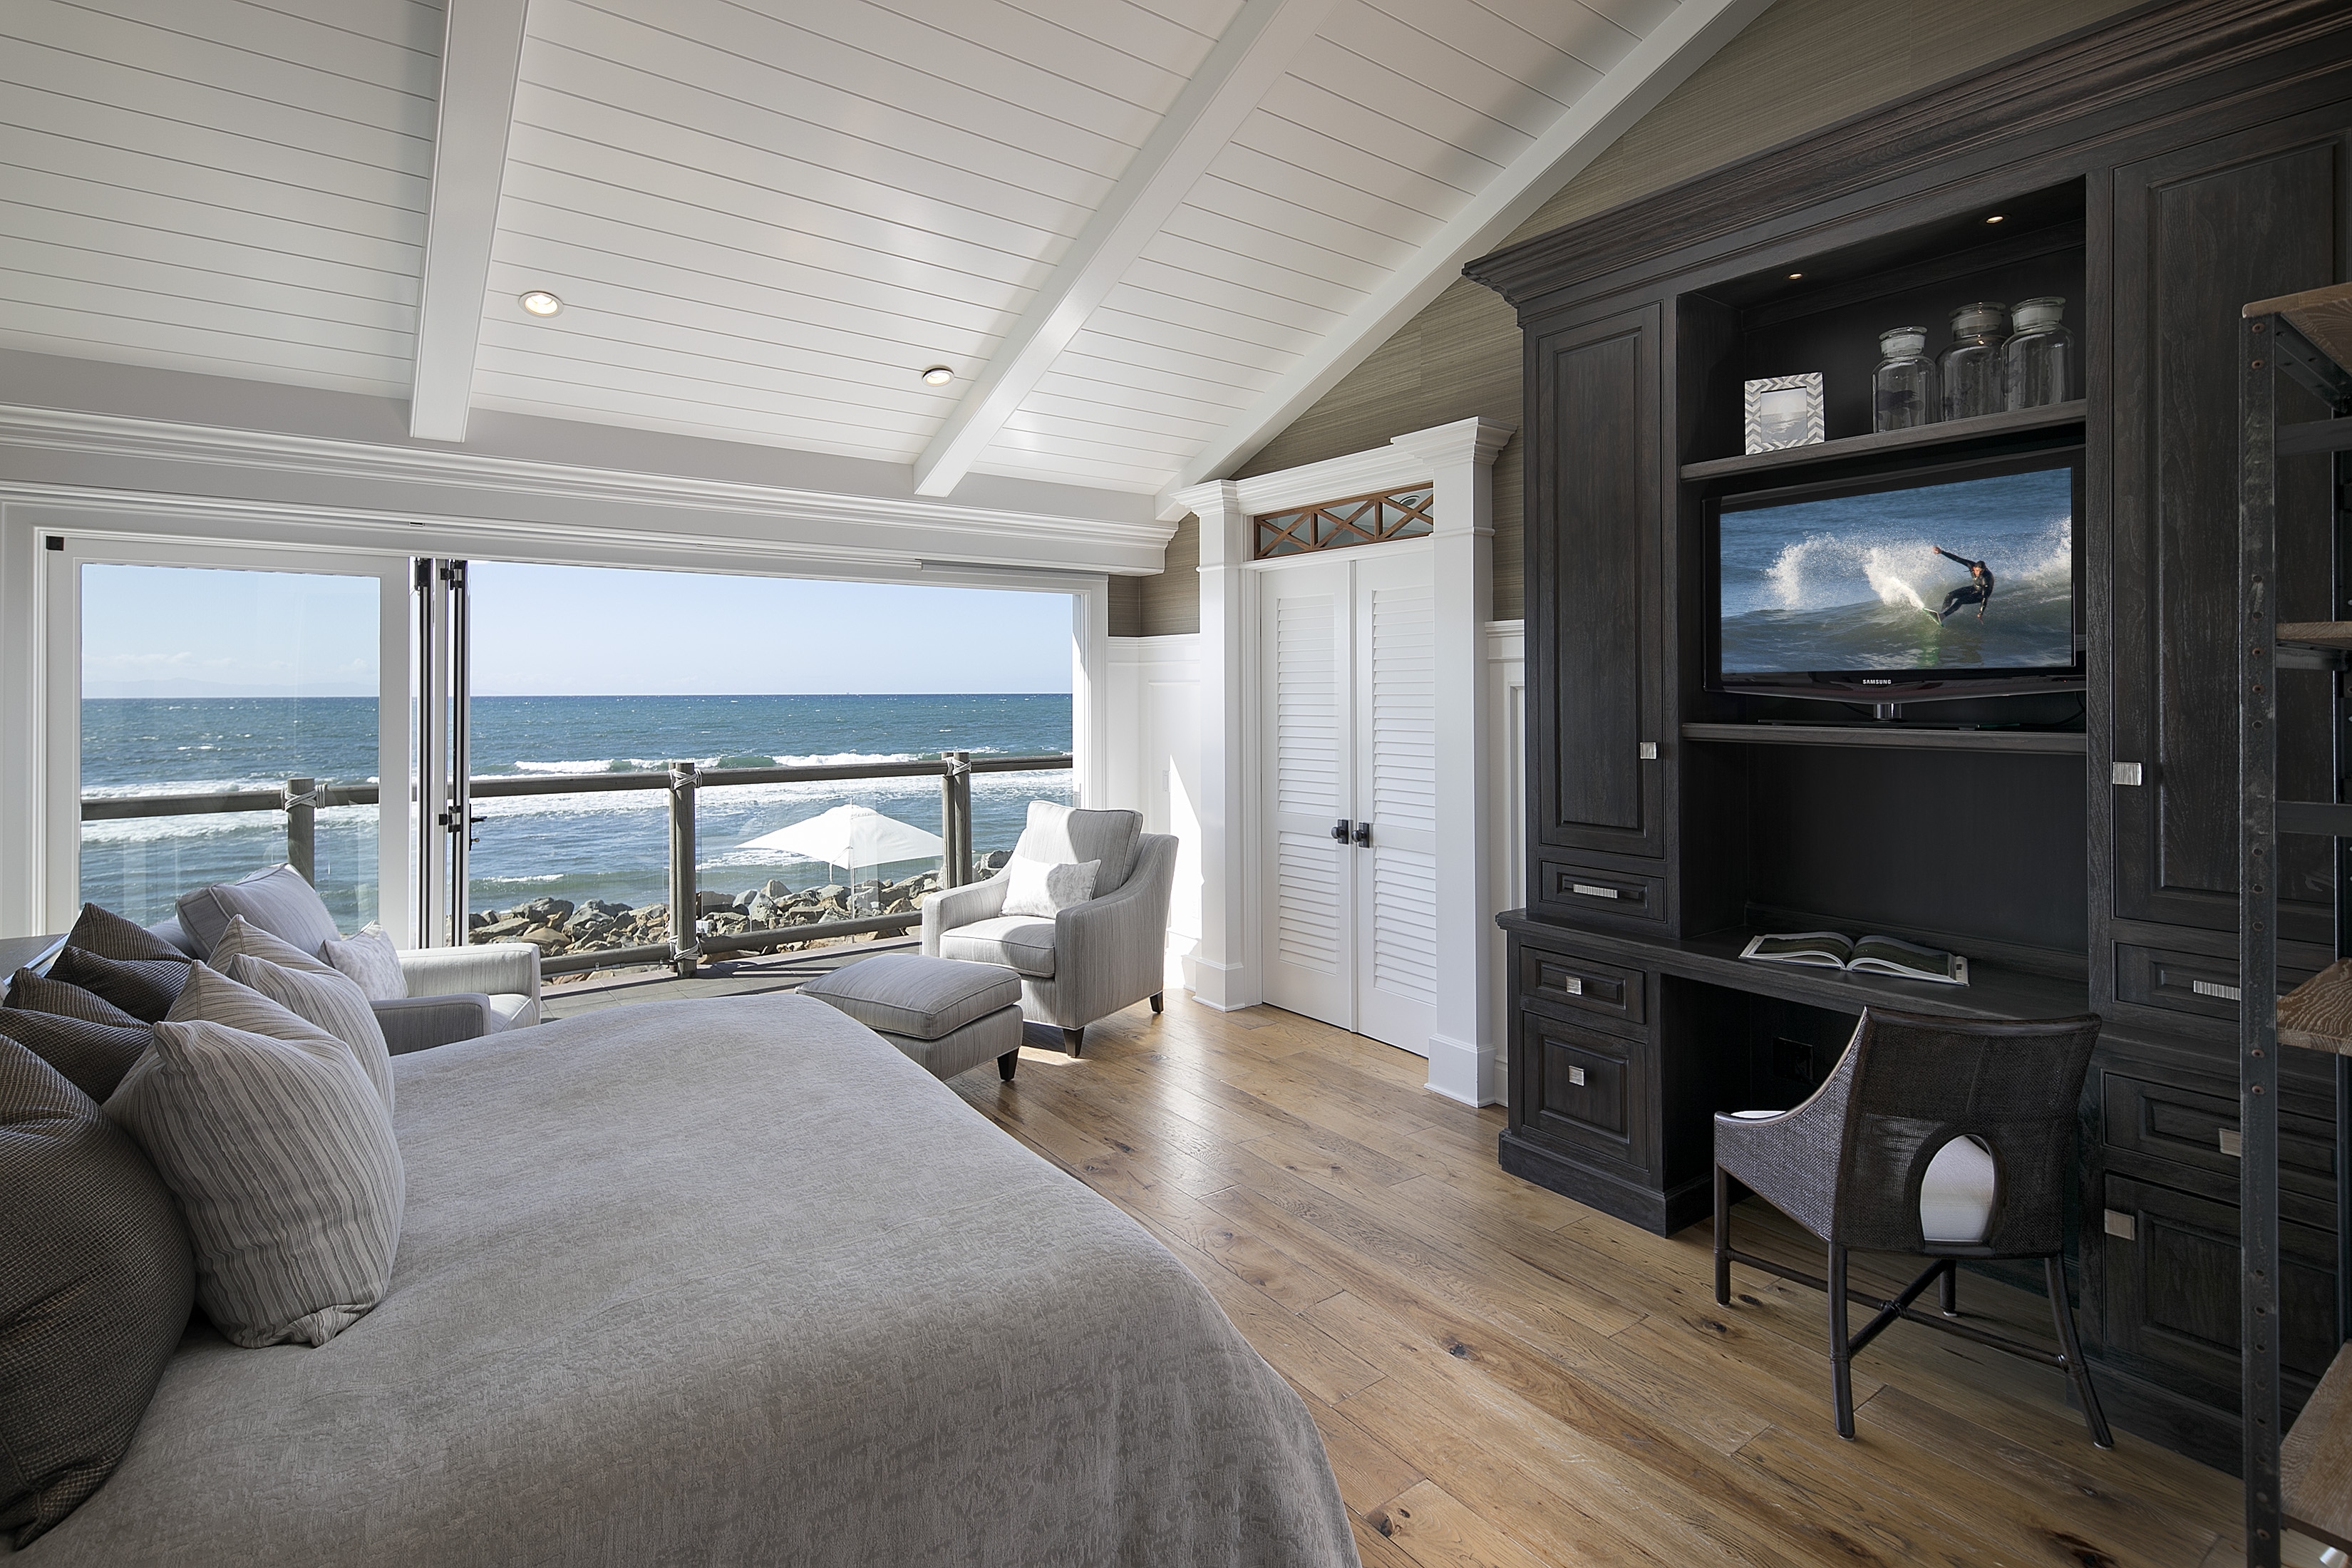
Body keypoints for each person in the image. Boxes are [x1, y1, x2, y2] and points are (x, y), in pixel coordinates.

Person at [1929, 545, 1994, 623]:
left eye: (1981, 571)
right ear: (1974, 568)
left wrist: (1981, 613)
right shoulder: (1971, 565)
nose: (1979, 573)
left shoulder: (1987, 579)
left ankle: (1943, 616)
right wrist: (1942, 552)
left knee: (1961, 600)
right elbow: (1957, 559)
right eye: (1977, 571)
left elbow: (1985, 598)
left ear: (1984, 570)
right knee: (1950, 595)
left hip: (1981, 595)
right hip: (1974, 588)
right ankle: (1941, 613)